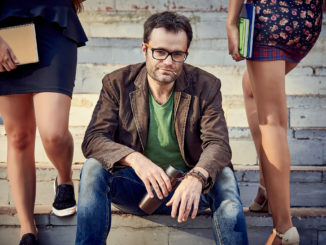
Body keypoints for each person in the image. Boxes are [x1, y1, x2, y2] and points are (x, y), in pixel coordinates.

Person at [76, 11, 248, 245]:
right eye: (160, 52)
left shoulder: (206, 86)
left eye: (177, 54)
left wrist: (197, 176)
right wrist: (135, 159)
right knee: (93, 168)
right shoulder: (117, 83)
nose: (168, 61)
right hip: (137, 189)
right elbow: (94, 139)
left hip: (190, 192)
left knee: (225, 176)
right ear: (145, 49)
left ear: (186, 53)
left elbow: (218, 144)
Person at [226, 0, 324, 244]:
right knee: (251, 87)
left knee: (272, 122)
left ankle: (283, 229)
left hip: (268, 18)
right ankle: (266, 186)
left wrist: (231, 22)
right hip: (307, 21)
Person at [0, 0, 87, 244]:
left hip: (54, 23)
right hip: (5, 30)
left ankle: (64, 178)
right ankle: (27, 229)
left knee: (53, 132)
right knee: (18, 136)